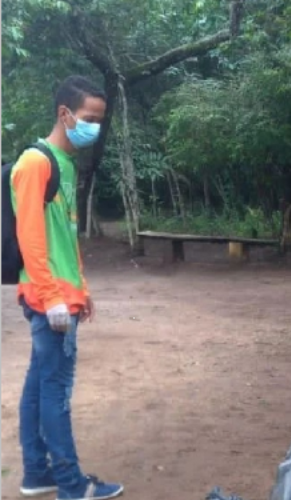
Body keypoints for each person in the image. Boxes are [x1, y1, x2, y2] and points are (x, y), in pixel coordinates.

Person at [11, 75, 124, 500]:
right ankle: (72, 485)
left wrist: (82, 286)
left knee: (39, 384)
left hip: (63, 293)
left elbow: (66, 234)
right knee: (55, 391)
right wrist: (54, 297)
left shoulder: (65, 163)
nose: (94, 127)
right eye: (89, 118)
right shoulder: (35, 163)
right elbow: (31, 238)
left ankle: (37, 473)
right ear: (65, 113)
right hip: (48, 300)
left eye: (99, 119)